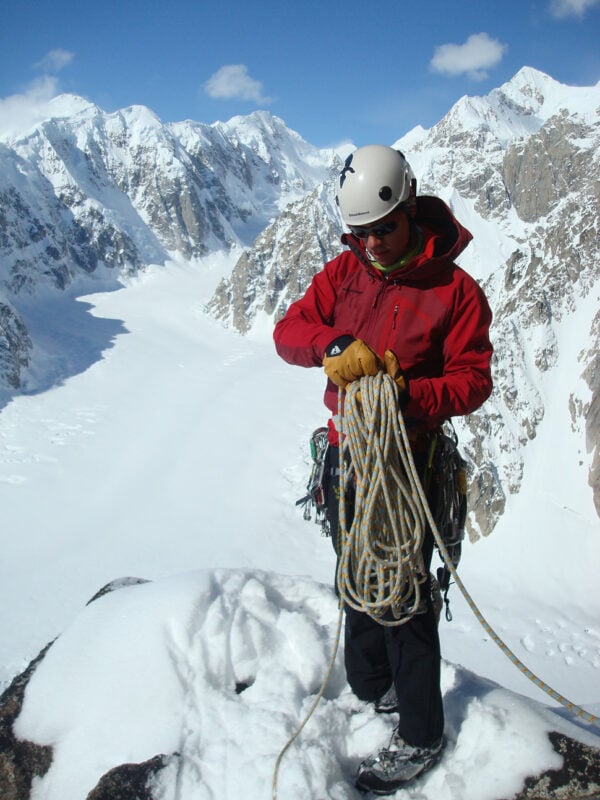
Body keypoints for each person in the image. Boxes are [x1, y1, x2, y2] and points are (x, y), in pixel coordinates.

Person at [273, 144, 493, 794]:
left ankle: (421, 730)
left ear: (411, 210)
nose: (371, 245)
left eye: (383, 230)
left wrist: (408, 396)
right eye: (359, 233)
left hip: (408, 462)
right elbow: (289, 332)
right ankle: (375, 687)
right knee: (356, 572)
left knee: (401, 592)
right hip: (349, 455)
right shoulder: (343, 274)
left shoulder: (455, 291)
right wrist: (331, 344)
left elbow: (473, 380)